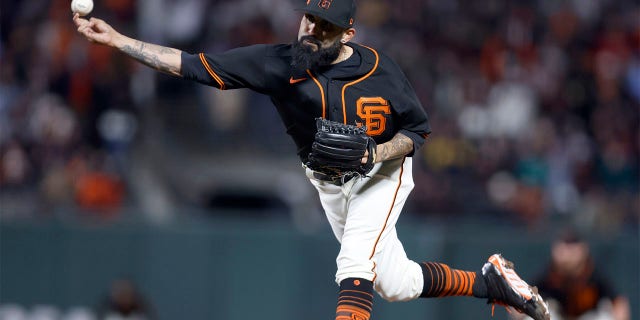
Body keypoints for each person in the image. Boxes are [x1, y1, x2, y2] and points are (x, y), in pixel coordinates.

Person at [73, 1, 550, 319]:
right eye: (308, 19)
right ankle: (489, 282)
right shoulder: (278, 63)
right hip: (328, 181)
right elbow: (191, 64)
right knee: (395, 283)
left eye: (323, 27)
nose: (310, 30)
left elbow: (418, 131)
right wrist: (117, 41)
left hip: (382, 172)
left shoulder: (380, 71)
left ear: (347, 33)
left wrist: (376, 152)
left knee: (352, 264)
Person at [531, 230, 631, 320]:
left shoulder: (592, 272)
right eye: (564, 248)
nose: (567, 255)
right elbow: (525, 299)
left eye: (571, 248)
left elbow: (619, 303)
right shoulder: (551, 274)